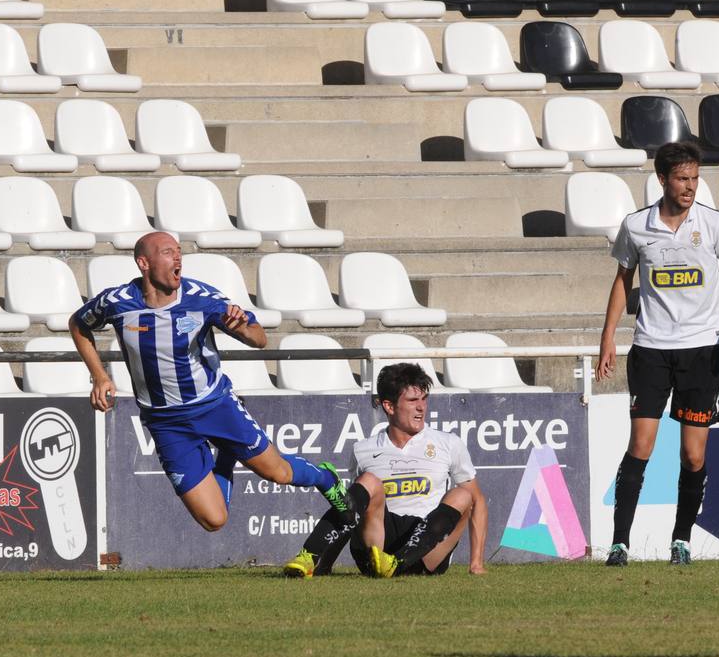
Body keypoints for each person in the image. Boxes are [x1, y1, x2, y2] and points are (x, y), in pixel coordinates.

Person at [69, 231, 351, 533]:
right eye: (167, 252)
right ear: (144, 263)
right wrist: (99, 376)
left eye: (178, 251)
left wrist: (242, 328)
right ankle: (226, 457)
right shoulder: (118, 302)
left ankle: (326, 478)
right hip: (165, 421)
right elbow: (78, 324)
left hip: (214, 407)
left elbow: (260, 339)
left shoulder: (201, 299)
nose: (177, 257)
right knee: (213, 520)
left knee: (279, 473)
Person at [596, 140, 719, 567]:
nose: (690, 187)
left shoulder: (713, 223)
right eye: (682, 178)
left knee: (693, 454)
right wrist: (608, 336)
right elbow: (622, 280)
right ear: (662, 179)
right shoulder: (637, 225)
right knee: (641, 445)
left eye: (695, 178)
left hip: (702, 352)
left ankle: (681, 541)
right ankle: (619, 543)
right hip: (650, 349)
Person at [283, 363, 487, 579]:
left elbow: (478, 502)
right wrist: (326, 563)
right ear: (389, 407)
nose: (421, 407)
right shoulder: (363, 449)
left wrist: (476, 564)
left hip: (426, 548)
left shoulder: (448, 443)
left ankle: (398, 564)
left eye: (424, 399)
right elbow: (350, 511)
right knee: (369, 482)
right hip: (377, 544)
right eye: (412, 400)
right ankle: (310, 555)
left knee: (464, 494)